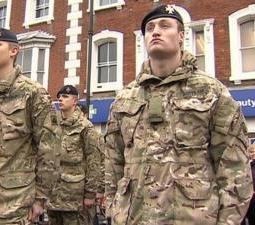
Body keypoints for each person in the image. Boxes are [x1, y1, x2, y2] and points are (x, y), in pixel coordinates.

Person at [105, 4, 253, 225]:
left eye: (165, 26)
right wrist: (113, 210)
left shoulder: (212, 92)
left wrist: (227, 221)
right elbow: (113, 161)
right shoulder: (124, 98)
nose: (155, 31)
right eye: (150, 28)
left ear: (182, 36)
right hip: (134, 218)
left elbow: (234, 168)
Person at [0, 28, 57, 225]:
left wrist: (40, 198)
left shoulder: (33, 93)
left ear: (14, 51)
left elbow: (49, 150)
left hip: (12, 207)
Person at [47, 85, 102, 225]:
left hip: (75, 197)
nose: (60, 99)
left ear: (75, 101)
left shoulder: (85, 126)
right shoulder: (54, 125)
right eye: (59, 96)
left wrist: (90, 194)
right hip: (53, 196)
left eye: (65, 97)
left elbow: (94, 161)